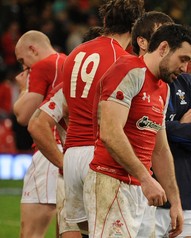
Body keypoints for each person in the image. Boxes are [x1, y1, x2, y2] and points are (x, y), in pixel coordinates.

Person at [83, 23, 191, 237]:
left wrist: (175, 202)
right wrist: (146, 178)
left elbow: (160, 149)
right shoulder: (128, 70)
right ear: (163, 48)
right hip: (112, 182)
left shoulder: (163, 88)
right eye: (183, 59)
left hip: (140, 190)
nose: (185, 69)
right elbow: (110, 132)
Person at [61, 0, 144, 234]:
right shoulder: (122, 59)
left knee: (88, 231)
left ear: (105, 21)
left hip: (72, 154)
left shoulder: (75, 53)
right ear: (136, 24)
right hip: (98, 155)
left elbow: (67, 109)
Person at [132, 11, 191, 237]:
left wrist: (164, 127)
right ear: (144, 41)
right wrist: (179, 125)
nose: (185, 66)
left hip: (183, 197)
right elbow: (133, 132)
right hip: (144, 197)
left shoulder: (184, 81)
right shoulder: (131, 78)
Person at [27, 27, 103, 238]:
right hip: (98, 173)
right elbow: (34, 124)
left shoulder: (68, 87)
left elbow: (35, 123)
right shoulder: (69, 87)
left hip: (73, 173)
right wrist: (62, 163)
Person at [13, 30, 67, 238]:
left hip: (48, 151)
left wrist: (23, 88)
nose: (23, 67)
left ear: (33, 49)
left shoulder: (43, 66)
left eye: (22, 60)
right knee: (65, 231)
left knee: (30, 233)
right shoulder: (67, 61)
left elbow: (24, 116)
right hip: (68, 150)